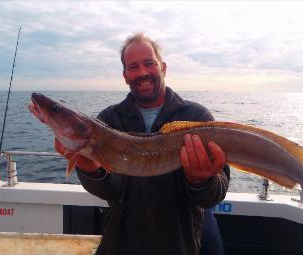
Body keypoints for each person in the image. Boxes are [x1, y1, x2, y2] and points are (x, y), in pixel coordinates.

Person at [56, 33, 230, 255]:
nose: (142, 72)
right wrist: (91, 168)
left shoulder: (197, 117)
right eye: (133, 67)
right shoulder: (108, 120)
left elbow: (214, 195)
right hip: (119, 245)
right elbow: (111, 191)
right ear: (125, 75)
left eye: (149, 63)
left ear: (163, 67)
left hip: (178, 245)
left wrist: (201, 180)